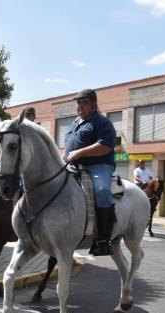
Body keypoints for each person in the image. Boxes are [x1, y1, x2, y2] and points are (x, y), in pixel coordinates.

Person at [64, 89, 116, 256]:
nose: (80, 106)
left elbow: (105, 146)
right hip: (73, 165)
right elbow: (69, 148)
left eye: (84, 103)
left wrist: (79, 153)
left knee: (102, 190)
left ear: (94, 104)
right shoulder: (74, 123)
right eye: (78, 103)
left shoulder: (102, 122)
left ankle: (103, 239)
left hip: (99, 165)